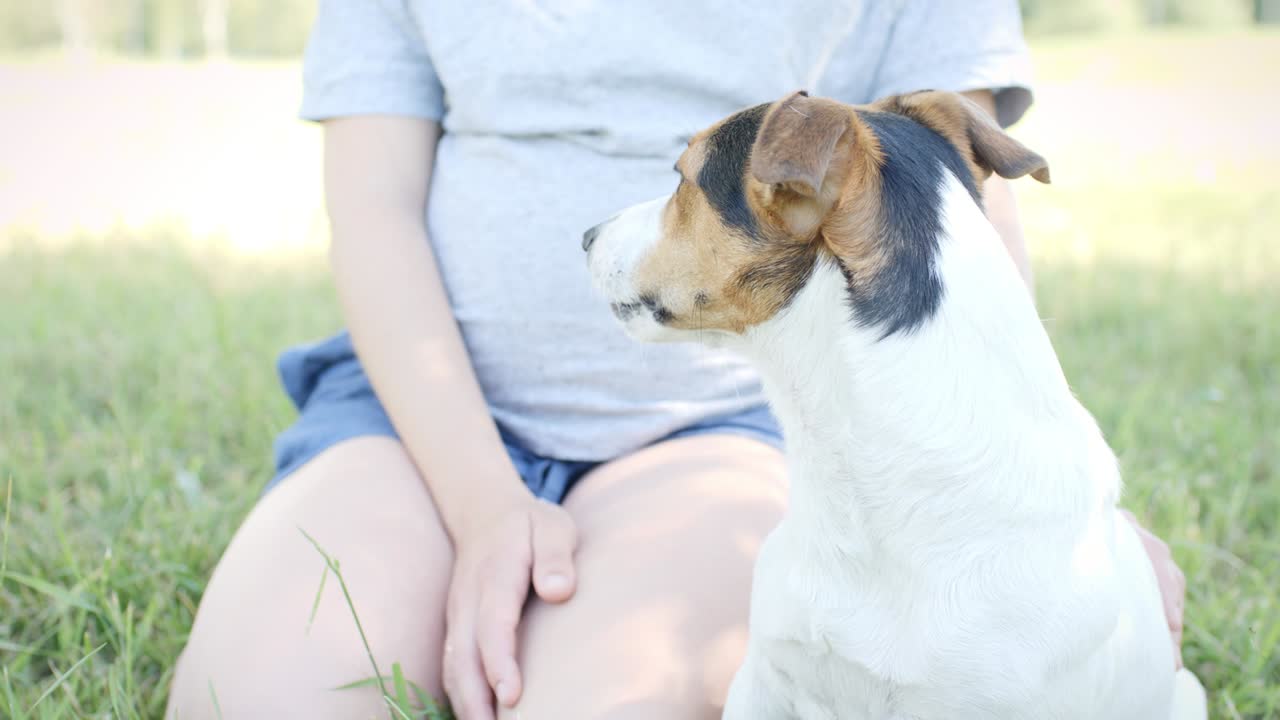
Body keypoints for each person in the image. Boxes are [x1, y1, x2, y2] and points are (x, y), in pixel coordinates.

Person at [166, 2, 1187, 718]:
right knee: (247, 701)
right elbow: (371, 205)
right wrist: (483, 508)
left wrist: (1057, 520)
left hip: (710, 431)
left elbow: (957, 216)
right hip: (409, 419)